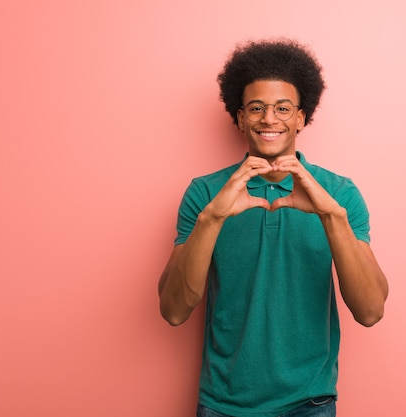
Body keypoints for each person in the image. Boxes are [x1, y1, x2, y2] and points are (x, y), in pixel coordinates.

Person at [158, 38, 388, 417]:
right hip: (223, 405)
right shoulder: (205, 193)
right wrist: (211, 218)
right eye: (256, 108)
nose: (269, 119)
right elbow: (173, 310)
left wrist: (332, 217)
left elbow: (370, 311)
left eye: (283, 108)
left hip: (310, 403)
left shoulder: (339, 194)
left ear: (301, 116)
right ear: (239, 117)